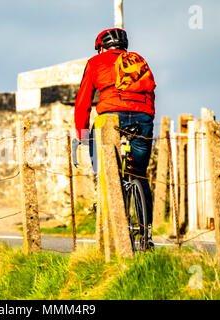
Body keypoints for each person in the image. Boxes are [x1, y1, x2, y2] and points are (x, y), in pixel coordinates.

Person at [74, 28, 156, 247]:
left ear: (101, 46)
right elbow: (151, 94)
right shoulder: (139, 61)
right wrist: (147, 119)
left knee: (101, 160)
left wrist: (82, 136)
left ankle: (102, 185)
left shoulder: (95, 62)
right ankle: (146, 233)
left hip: (111, 116)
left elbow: (83, 103)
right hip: (143, 118)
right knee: (139, 174)